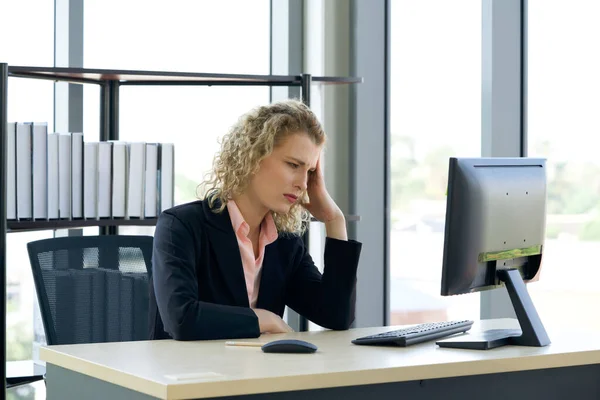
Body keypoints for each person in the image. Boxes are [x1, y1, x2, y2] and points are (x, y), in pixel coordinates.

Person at [148, 99, 362, 341]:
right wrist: (264, 319)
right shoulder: (181, 226)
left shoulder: (285, 242)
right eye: (293, 165)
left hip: (257, 374)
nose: (303, 183)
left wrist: (335, 220)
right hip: (188, 374)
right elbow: (181, 318)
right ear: (253, 157)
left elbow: (336, 315)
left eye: (310, 172)